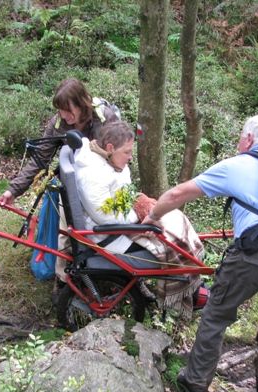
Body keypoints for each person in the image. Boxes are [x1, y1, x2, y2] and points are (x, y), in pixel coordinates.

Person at [142, 111, 258, 392]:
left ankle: (195, 385)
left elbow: (178, 194)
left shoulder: (240, 165)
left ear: (249, 139)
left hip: (256, 256)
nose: (238, 141)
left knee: (216, 315)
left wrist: (153, 215)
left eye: (240, 136)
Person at [73, 121, 205, 317]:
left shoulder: (107, 162)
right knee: (168, 242)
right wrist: (139, 214)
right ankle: (185, 290)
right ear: (110, 148)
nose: (130, 157)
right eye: (126, 152)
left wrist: (141, 206)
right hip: (109, 237)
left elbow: (120, 196)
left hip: (120, 226)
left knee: (175, 219)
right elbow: (104, 216)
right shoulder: (92, 174)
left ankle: (192, 284)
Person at [0, 78, 120, 205]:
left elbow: (122, 155)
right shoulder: (58, 124)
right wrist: (13, 190)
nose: (64, 115)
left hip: (104, 185)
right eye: (60, 110)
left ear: (81, 104)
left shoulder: (104, 118)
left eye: (68, 110)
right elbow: (40, 158)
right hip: (74, 184)